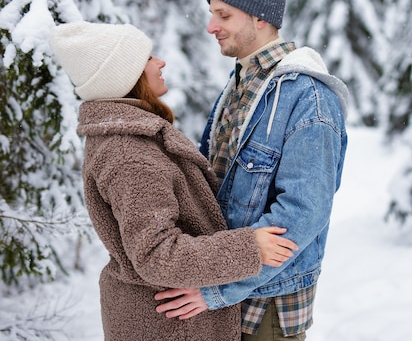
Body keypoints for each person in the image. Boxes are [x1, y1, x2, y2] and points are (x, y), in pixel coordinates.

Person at [48, 20, 298, 341]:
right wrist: (249, 247)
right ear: (127, 76)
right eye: (148, 58)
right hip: (169, 326)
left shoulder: (133, 138)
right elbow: (158, 256)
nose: (160, 62)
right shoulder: (129, 153)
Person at [155, 0, 349, 340]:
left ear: (260, 18)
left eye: (223, 15)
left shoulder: (307, 95)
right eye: (212, 13)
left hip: (266, 305)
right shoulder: (243, 82)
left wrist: (216, 289)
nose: (211, 26)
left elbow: (303, 212)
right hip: (224, 295)